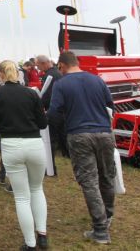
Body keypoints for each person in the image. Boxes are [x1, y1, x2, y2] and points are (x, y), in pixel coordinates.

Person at [48, 51, 115, 245]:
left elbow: (54, 113)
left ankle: (101, 229)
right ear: (77, 62)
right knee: (107, 176)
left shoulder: (61, 85)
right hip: (104, 132)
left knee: (89, 180)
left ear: (61, 65)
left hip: (79, 134)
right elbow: (110, 106)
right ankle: (108, 216)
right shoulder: (97, 80)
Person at [0, 60, 49, 251]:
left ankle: (30, 243)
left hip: (11, 144)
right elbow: (42, 123)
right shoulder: (31, 94)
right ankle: (42, 234)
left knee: (22, 197)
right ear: (18, 73)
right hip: (34, 144)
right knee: (37, 189)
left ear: (1, 75)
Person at [37, 55, 67, 158]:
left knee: (51, 135)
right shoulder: (58, 72)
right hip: (62, 107)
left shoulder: (49, 75)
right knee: (63, 132)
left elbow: (47, 94)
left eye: (38, 66)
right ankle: (66, 152)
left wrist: (41, 105)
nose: (38, 68)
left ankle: (50, 158)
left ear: (43, 63)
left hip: (53, 108)